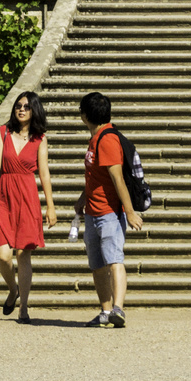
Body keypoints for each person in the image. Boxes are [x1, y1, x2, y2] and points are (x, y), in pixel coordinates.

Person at [0, 91, 56, 323]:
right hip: (4, 195)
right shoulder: (3, 132)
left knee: (24, 254)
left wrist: (50, 206)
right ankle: (13, 290)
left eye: (26, 106)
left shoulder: (40, 138)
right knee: (4, 256)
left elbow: (44, 173)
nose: (21, 109)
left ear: (34, 110)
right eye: (17, 106)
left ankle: (23, 308)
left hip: (27, 197)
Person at [75, 91, 143, 328]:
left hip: (109, 213)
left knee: (114, 259)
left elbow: (117, 180)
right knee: (97, 264)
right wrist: (83, 198)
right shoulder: (95, 139)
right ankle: (105, 312)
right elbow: (96, 176)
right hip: (93, 211)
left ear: (84, 116)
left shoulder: (107, 139)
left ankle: (118, 309)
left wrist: (130, 211)